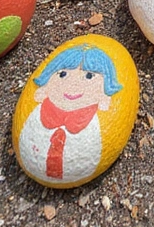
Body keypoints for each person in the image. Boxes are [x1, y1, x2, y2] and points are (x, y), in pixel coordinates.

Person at [18, 44, 123, 184]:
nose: (73, 84)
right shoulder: (35, 117)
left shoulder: (94, 127)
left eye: (89, 76)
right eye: (62, 74)